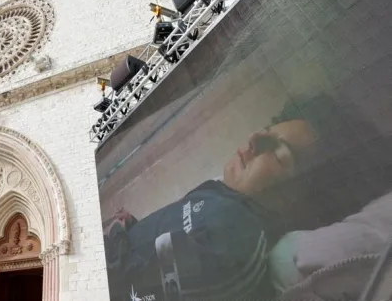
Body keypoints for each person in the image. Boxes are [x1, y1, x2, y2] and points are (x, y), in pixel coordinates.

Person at [103, 93, 392, 301]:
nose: (253, 140)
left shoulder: (239, 237)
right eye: (265, 132)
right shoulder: (222, 200)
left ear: (300, 201)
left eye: (278, 151)